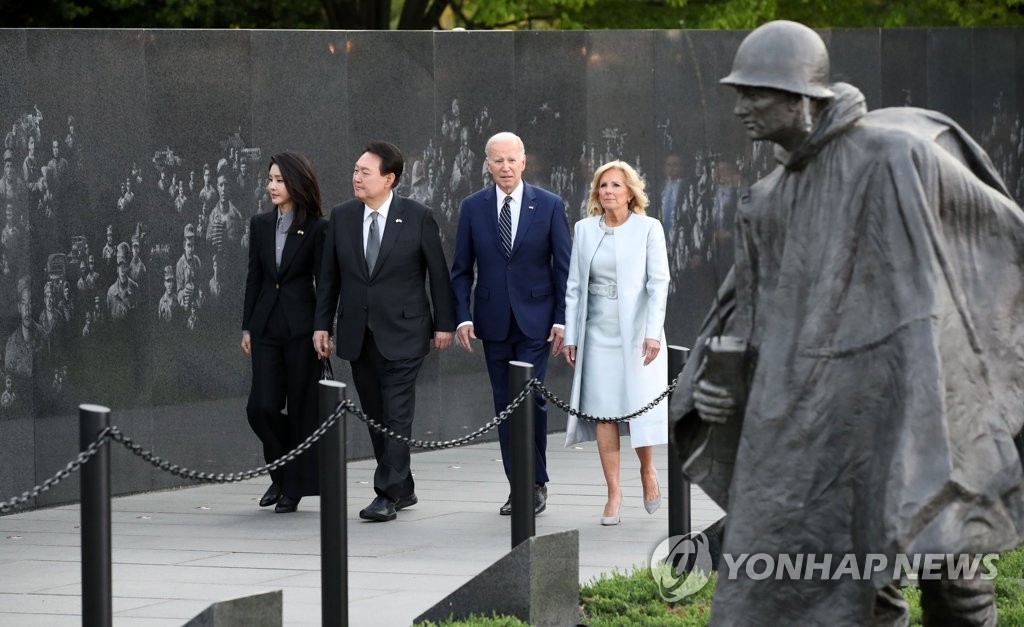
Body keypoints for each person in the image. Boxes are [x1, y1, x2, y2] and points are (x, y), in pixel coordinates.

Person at [671, 20, 1024, 625]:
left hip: (926, 399)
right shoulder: (767, 199)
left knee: (955, 573)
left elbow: (997, 242)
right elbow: (746, 315)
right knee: (853, 583)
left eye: (755, 93)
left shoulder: (895, 154)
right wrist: (716, 382)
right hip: (824, 424)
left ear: (801, 98)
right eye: (738, 93)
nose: (741, 108)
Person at [314, 141, 455, 523]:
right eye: (355, 170)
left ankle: (386, 493)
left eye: (365, 172)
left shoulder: (417, 216)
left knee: (396, 412)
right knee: (375, 413)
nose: (356, 177)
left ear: (388, 179)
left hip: (406, 332)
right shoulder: (342, 217)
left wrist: (444, 323)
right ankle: (403, 485)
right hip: (359, 334)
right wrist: (321, 325)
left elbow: (438, 274)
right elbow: (329, 277)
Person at [450, 131, 571, 516]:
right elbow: (460, 270)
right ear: (487, 164)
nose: (505, 167)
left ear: (523, 162)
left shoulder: (550, 205)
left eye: (511, 160)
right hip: (492, 321)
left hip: (537, 321)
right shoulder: (473, 207)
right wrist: (463, 317)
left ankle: (536, 482)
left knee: (531, 399)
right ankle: (517, 484)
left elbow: (563, 268)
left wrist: (562, 320)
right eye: (497, 160)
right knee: (504, 404)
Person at [560, 161, 669, 526]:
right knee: (605, 411)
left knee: (638, 406)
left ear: (630, 192)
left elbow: (659, 284)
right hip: (597, 333)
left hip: (638, 332)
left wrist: (653, 332)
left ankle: (648, 470)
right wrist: (572, 336)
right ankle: (613, 492)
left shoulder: (649, 228)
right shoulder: (585, 229)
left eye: (616, 185)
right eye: (603, 185)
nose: (608, 191)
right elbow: (574, 286)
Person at [241, 150, 328, 514]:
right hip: (264, 327)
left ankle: (290, 485)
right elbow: (255, 278)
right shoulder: (260, 224)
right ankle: (283, 472)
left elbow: (325, 282)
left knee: (303, 407)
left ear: (296, 183)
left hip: (302, 329)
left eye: (279, 180)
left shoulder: (318, 226)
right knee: (261, 406)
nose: (272, 186)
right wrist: (246, 325)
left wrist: (324, 326)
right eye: (270, 179)